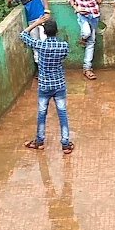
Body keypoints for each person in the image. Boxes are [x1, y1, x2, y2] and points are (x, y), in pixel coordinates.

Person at [21, 18, 73, 154]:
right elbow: (64, 57)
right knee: (62, 113)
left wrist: (36, 23)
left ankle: (39, 141)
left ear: (44, 31)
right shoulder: (63, 46)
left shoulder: (40, 45)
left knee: (42, 113)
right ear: (56, 31)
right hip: (59, 84)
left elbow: (23, 35)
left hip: (44, 85)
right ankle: (66, 143)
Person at [66, 0, 106, 80]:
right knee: (87, 33)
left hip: (93, 11)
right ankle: (83, 38)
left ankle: (87, 68)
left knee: (91, 41)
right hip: (82, 12)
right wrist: (76, 8)